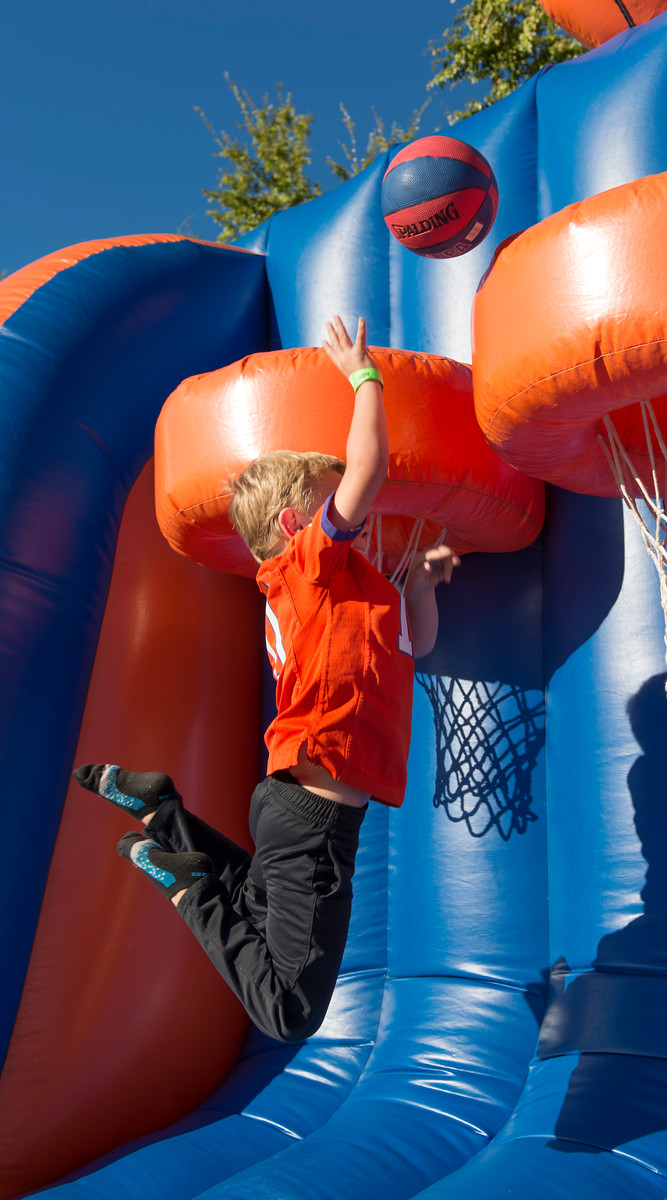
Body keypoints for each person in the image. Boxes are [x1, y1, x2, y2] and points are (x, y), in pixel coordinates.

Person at [74, 315, 460, 1043]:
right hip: (312, 813)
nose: (358, 517)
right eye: (336, 502)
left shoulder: (351, 598)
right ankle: (183, 878)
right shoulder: (302, 569)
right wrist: (362, 376)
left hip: (297, 804)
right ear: (295, 524)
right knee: (287, 1013)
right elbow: (369, 468)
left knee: (257, 908)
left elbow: (419, 645)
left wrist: (424, 585)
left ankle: (164, 817)